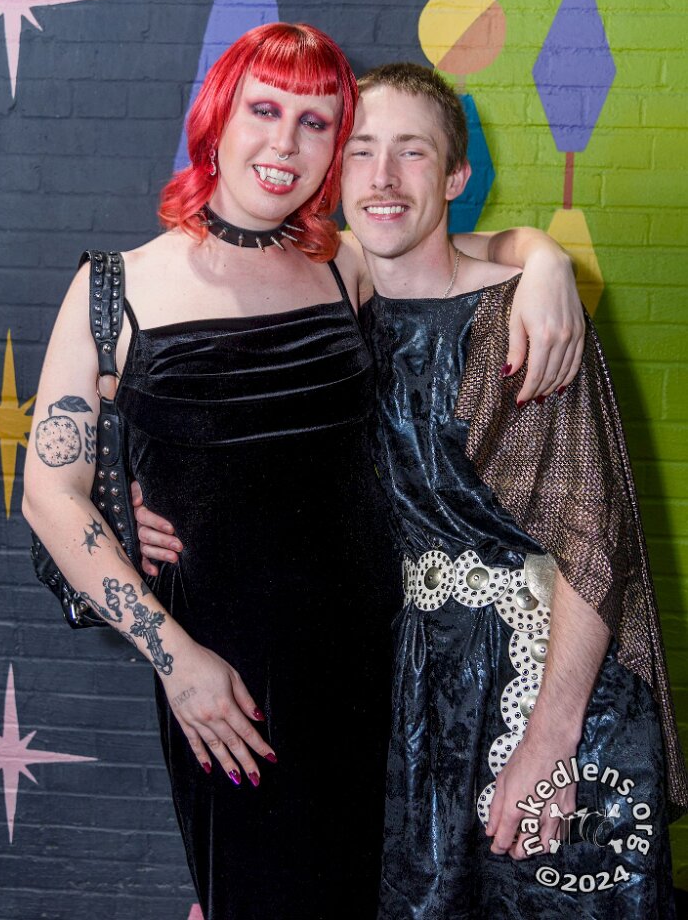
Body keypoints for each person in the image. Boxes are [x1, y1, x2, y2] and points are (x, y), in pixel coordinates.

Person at [24, 24, 585, 920]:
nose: (285, 142)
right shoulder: (111, 289)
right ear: (218, 118)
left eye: (316, 123)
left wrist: (549, 262)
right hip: (225, 680)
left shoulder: (344, 263)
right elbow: (48, 494)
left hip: (379, 663)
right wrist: (175, 660)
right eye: (265, 110)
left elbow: (479, 250)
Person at [139, 60, 687, 918]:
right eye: (360, 151)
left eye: (413, 153)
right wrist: (134, 502)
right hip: (412, 696)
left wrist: (551, 739)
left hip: (550, 687)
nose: (384, 178)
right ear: (333, 173)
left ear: (456, 176)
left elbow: (595, 543)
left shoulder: (523, 322)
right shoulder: (335, 308)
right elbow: (169, 396)